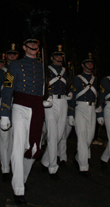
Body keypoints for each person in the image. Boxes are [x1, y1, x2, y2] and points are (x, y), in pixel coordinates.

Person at [0, 39, 49, 205]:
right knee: (18, 146)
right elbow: (7, 88)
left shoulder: (42, 66)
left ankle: (22, 179)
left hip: (36, 108)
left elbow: (43, 88)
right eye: (30, 44)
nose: (34, 46)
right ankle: (18, 188)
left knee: (34, 147)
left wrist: (45, 100)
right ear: (24, 47)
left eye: (36, 44)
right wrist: (4, 113)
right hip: (20, 106)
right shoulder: (15, 65)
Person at [67, 53, 99, 177]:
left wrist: (99, 111)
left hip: (92, 108)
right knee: (82, 137)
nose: (90, 65)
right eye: (88, 63)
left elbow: (98, 97)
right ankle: (84, 167)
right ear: (82, 65)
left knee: (89, 137)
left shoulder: (95, 80)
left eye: (91, 63)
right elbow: (72, 98)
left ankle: (78, 156)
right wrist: (71, 114)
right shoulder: (76, 79)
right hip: (80, 107)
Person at [41, 45, 70, 180]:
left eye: (61, 56)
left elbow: (69, 85)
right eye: (57, 56)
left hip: (63, 101)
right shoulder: (45, 70)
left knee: (58, 134)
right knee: (53, 134)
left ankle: (45, 160)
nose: (60, 58)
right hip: (50, 102)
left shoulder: (66, 70)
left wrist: (70, 92)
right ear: (51, 58)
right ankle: (52, 167)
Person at [0, 46, 19, 181]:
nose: (12, 57)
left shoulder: (21, 69)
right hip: (4, 103)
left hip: (17, 104)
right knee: (4, 137)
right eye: (10, 54)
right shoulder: (1, 73)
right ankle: (5, 168)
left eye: (15, 54)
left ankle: (12, 164)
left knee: (15, 138)